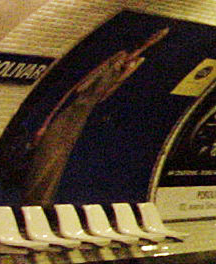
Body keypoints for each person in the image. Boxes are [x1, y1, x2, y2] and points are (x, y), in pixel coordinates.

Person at [21, 26, 170, 205]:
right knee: (46, 154)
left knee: (59, 159)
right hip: (70, 108)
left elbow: (105, 95)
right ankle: (30, 199)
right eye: (156, 35)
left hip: (83, 114)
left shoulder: (135, 62)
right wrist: (46, 123)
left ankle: (43, 202)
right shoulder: (115, 56)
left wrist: (125, 70)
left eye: (159, 38)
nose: (155, 40)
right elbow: (75, 89)